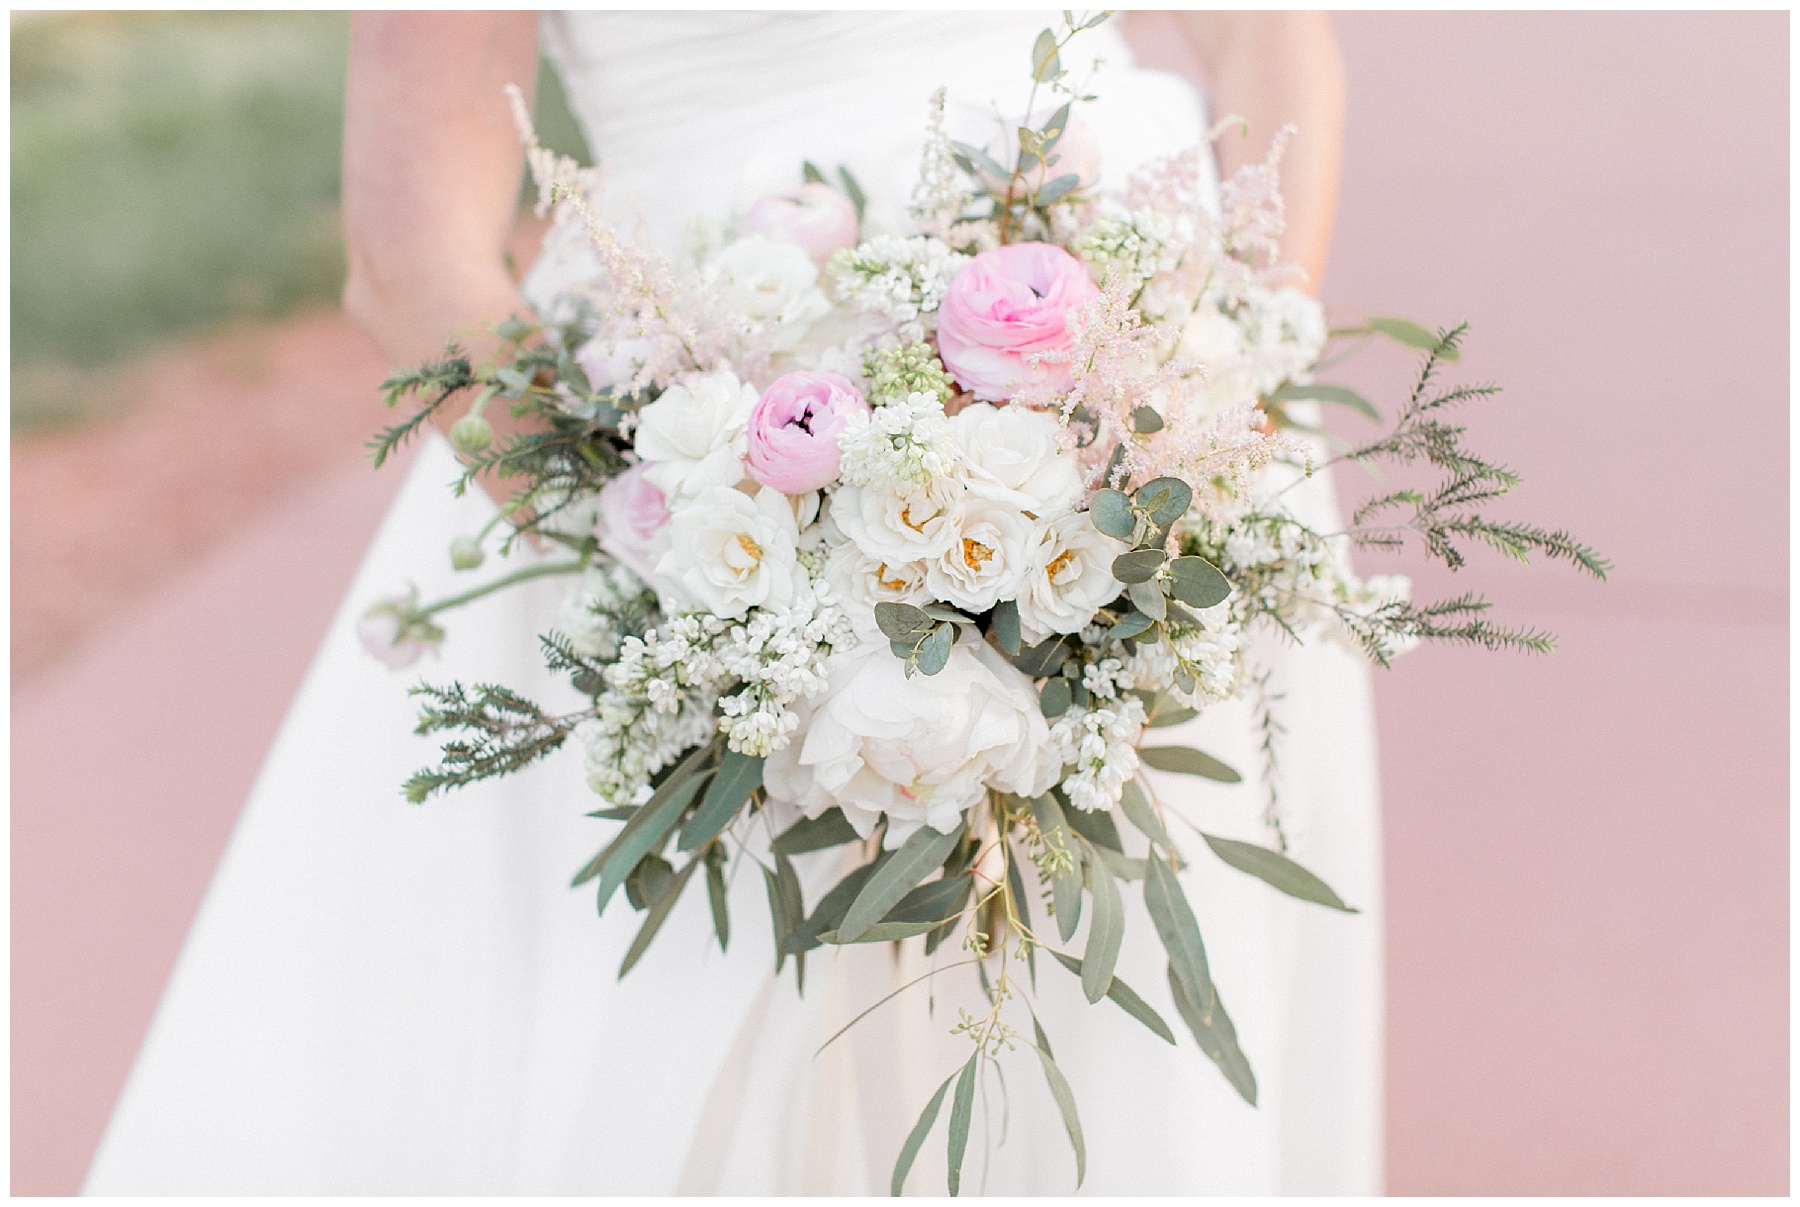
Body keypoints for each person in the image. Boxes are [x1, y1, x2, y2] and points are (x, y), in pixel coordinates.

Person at [85, 13, 1380, 1194]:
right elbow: (409, 252)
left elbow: (1273, 43)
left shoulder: (1187, 438)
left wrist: (1224, 405)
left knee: (1127, 1031)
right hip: (708, 485)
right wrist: (718, 592)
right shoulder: (711, 564)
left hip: (1141, 418)